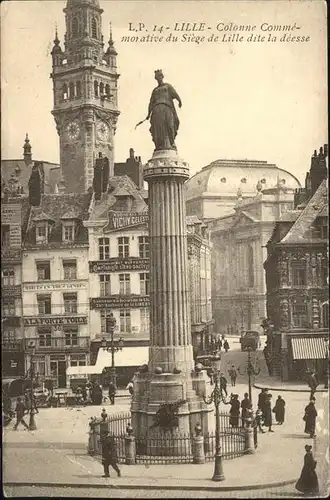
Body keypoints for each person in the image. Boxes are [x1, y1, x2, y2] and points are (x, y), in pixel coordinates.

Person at [146, 69, 182, 151]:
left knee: (170, 125)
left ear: (162, 76)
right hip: (157, 110)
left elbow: (175, 94)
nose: (158, 78)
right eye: (157, 77)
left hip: (167, 108)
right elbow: (151, 102)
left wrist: (179, 101)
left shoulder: (167, 86)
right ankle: (159, 145)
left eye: (160, 76)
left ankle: (172, 143)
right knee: (158, 128)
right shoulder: (155, 90)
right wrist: (148, 114)